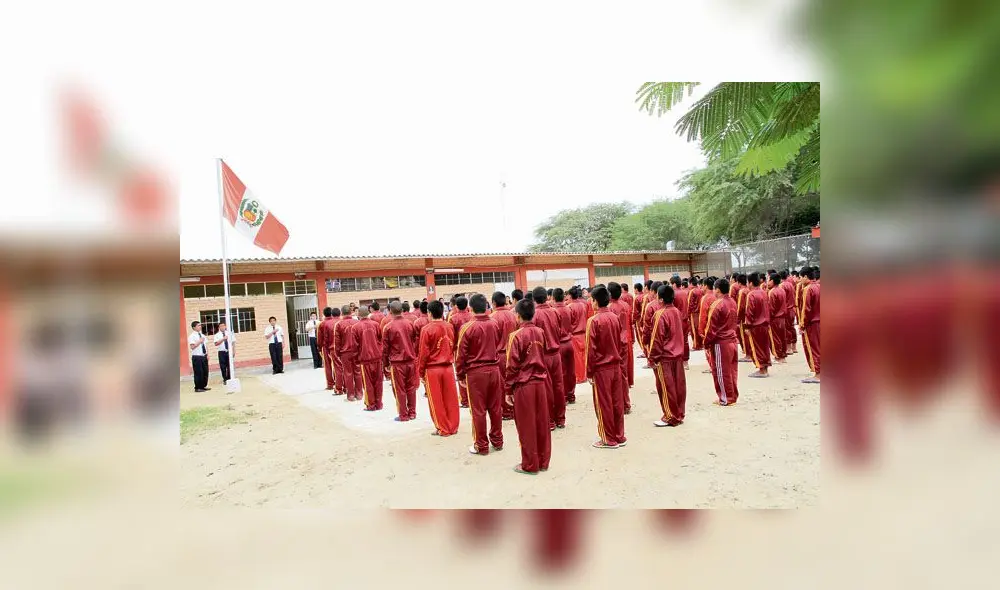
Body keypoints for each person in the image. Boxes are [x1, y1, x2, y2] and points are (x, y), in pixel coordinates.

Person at [504, 299, 552, 475]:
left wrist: (508, 390)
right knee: (542, 423)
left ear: (517, 315)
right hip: (540, 384)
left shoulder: (516, 336)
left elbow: (512, 366)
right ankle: (543, 461)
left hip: (524, 385)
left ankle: (530, 464)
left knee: (526, 426)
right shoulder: (540, 332)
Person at [455, 294, 504, 455]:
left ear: (471, 308)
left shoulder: (467, 327)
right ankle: (497, 441)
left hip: (476, 373)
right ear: (487, 306)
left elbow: (461, 355)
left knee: (478, 410)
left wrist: (460, 374)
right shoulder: (494, 324)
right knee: (495, 408)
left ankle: (481, 445)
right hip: (494, 369)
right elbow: (497, 342)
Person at [585, 286, 626, 449]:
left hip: (602, 368)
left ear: (595, 301)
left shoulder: (593, 321)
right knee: (617, 402)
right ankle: (619, 435)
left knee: (604, 404)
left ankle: (608, 438)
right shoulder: (614, 317)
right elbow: (621, 342)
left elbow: (591, 350)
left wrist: (589, 372)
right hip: (615, 365)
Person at [417, 300, 461, 436]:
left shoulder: (427, 329)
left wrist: (420, 372)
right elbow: (453, 345)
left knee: (436, 400)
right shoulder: (449, 326)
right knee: (451, 399)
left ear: (429, 313)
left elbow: (423, 353)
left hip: (433, 369)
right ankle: (453, 426)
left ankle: (443, 428)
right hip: (448, 367)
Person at [648, 284, 686, 427]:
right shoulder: (676, 311)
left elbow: (657, 339)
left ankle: (670, 416)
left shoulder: (660, 314)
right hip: (677, 355)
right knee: (678, 386)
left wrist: (653, 358)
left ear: (661, 299)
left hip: (665, 357)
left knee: (666, 388)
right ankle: (679, 413)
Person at [531, 286, 565, 430]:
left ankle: (550, 420)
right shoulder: (555, 311)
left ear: (534, 299)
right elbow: (559, 330)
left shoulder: (534, 315)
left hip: (543, 355)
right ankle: (560, 419)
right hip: (556, 353)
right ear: (547, 297)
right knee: (559, 386)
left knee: (547, 388)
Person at [704, 278, 739, 406]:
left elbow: (711, 327)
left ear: (717, 290)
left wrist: (706, 343)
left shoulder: (717, 304)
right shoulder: (732, 302)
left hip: (721, 342)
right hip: (732, 340)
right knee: (731, 371)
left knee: (721, 371)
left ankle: (726, 397)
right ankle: (732, 395)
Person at [382, 301, 418, 421]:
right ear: (402, 310)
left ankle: (403, 414)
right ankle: (412, 412)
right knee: (411, 387)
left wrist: (385, 364)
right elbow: (414, 340)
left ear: (390, 311)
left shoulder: (388, 327)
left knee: (399, 389)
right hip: (410, 360)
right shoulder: (410, 324)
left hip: (397, 363)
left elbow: (385, 348)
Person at [491, 291, 518, 420]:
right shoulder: (513, 315)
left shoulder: (492, 317)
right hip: (514, 352)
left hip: (500, 354)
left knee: (502, 383)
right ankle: (516, 408)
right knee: (515, 380)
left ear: (494, 303)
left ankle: (507, 411)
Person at [607, 282, 633, 413]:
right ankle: (625, 403)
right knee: (623, 373)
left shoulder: (610, 308)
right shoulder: (625, 305)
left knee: (617, 375)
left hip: (616, 344)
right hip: (625, 341)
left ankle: (623, 404)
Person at [551, 288, 578, 407]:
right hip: (569, 342)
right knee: (571, 371)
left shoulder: (553, 311)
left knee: (562, 372)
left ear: (553, 298)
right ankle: (571, 395)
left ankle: (565, 396)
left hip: (560, 344)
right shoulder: (568, 308)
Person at [353, 307, 383, 411]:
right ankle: (379, 404)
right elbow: (380, 339)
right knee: (378, 382)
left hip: (365, 359)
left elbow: (355, 346)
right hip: (377, 357)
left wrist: (356, 359)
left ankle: (371, 404)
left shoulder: (356, 327)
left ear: (358, 314)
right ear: (368, 313)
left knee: (368, 383)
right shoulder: (376, 325)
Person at [745, 272, 772, 378]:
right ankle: (765, 368)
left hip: (755, 325)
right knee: (764, 347)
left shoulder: (751, 294)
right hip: (765, 324)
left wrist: (747, 326)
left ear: (751, 283)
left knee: (757, 348)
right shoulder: (763, 292)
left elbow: (749, 312)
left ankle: (762, 370)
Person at [448, 296, 474, 407]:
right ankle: (472, 397)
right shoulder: (472, 316)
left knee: (461, 372)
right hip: (473, 348)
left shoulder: (453, 318)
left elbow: (451, 336)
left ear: (456, 306)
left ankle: (465, 400)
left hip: (459, 349)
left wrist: (452, 349)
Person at [799, 267, 821, 383]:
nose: (800, 280)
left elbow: (805, 309)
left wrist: (802, 325)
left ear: (806, 277)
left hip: (812, 323)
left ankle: (818, 374)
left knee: (814, 348)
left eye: (801, 277)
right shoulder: (820, 286)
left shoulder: (808, 289)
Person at [336, 305, 361, 401]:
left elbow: (337, 341)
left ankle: (350, 395)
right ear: (351, 312)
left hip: (345, 352)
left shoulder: (339, 325)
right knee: (358, 372)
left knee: (348, 373)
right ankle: (359, 394)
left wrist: (338, 353)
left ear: (341, 313)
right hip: (356, 351)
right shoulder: (357, 322)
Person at [567, 287, 588, 385]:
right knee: (583, 356)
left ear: (570, 295)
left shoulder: (569, 307)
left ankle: (579, 377)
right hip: (583, 334)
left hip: (575, 335)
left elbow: (569, 323)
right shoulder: (583, 305)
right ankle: (584, 375)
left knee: (577, 358)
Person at [669, 276, 690, 370]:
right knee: (685, 341)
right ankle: (686, 362)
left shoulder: (673, 294)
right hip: (685, 320)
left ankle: (678, 361)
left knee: (676, 342)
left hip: (677, 321)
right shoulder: (685, 292)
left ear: (674, 284)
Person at [767, 273, 788, 365]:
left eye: (768, 280)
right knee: (782, 337)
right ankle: (783, 355)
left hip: (774, 318)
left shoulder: (772, 292)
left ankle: (778, 356)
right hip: (782, 317)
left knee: (775, 338)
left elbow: (771, 308)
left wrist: (768, 319)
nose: (767, 282)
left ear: (772, 281)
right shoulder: (781, 290)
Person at [697, 277, 716, 373]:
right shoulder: (716, 295)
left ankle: (712, 366)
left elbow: (703, 315)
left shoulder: (706, 298)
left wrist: (701, 330)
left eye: (702, 285)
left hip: (709, 327)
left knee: (708, 347)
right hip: (717, 327)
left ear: (705, 286)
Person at [318, 307, 339, 391]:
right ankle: (338, 382)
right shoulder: (337, 321)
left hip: (325, 346)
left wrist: (319, 348)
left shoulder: (322, 324)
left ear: (324, 314)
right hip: (336, 346)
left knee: (328, 366)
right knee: (337, 365)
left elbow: (320, 338)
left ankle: (330, 384)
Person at [779, 270, 798, 355]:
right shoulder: (790, 284)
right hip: (792, 308)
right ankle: (794, 347)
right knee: (792, 327)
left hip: (786, 309)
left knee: (786, 329)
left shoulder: (782, 286)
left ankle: (789, 348)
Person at [189, 320, 211, 392]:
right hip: (197, 357)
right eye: (198, 325)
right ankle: (198, 387)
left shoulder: (202, 335)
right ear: (194, 327)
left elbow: (206, 345)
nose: (200, 326)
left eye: (200, 325)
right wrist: (199, 341)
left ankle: (203, 386)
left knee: (205, 372)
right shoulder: (192, 336)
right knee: (198, 372)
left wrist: (207, 354)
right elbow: (192, 347)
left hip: (204, 356)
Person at [213, 320, 235, 385]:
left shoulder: (229, 333)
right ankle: (225, 379)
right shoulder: (217, 335)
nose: (222, 327)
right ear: (219, 327)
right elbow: (216, 343)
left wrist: (234, 351)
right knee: (223, 366)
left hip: (229, 351)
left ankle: (229, 378)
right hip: (221, 352)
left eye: (223, 326)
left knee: (229, 365)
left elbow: (233, 342)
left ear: (225, 326)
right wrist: (223, 339)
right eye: (221, 326)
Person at [688, 278, 705, 351]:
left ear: (691, 283)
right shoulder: (701, 290)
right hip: (701, 311)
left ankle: (696, 345)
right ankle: (702, 344)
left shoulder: (692, 291)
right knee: (701, 328)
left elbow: (690, 304)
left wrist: (688, 314)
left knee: (694, 330)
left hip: (694, 313)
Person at [631, 283, 644, 349]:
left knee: (640, 336)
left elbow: (635, 312)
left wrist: (633, 322)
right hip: (646, 319)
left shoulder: (637, 298)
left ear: (636, 289)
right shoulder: (645, 295)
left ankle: (644, 350)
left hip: (639, 320)